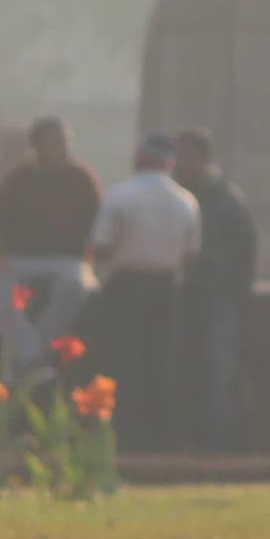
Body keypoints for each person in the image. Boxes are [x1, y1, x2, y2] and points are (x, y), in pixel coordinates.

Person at [85, 133, 203, 449]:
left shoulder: (120, 196)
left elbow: (101, 246)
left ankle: (118, 437)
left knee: (118, 362)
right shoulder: (186, 201)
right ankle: (159, 441)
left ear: (137, 160)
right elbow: (190, 254)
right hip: (165, 289)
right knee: (160, 364)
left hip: (124, 287)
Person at [0, 115, 104, 379]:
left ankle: (33, 354)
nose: (62, 147)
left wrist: (91, 257)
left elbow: (97, 224)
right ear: (37, 145)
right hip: (20, 259)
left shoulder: (81, 179)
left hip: (67, 259)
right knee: (1, 293)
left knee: (76, 287)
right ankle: (32, 354)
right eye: (55, 141)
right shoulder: (17, 180)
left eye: (65, 141)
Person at [167, 129, 259, 454]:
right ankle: (183, 442)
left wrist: (237, 294)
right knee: (179, 371)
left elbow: (245, 252)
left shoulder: (227, 201)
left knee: (218, 372)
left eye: (187, 156)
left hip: (218, 298)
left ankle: (219, 446)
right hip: (179, 297)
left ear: (205, 159)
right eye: (177, 156)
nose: (181, 163)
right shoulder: (172, 197)